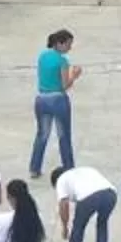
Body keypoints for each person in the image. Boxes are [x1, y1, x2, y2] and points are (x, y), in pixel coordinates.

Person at [29, 28, 78, 175]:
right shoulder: (62, 61)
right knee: (64, 135)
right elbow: (64, 85)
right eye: (68, 44)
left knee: (42, 134)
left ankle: (34, 167)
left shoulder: (42, 56)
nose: (70, 47)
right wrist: (74, 76)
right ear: (60, 44)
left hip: (42, 99)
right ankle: (68, 166)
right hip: (58, 100)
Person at [53, 161, 119, 242]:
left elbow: (64, 205)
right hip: (110, 194)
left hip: (88, 197)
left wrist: (65, 228)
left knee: (78, 225)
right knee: (102, 223)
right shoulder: (86, 169)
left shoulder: (61, 180)